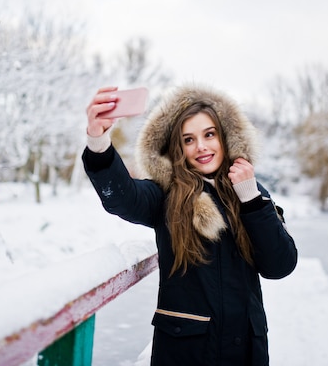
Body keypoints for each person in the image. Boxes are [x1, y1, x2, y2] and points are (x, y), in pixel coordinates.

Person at [82, 84, 298, 366]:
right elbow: (122, 198)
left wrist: (252, 201)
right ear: (177, 148)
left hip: (246, 351)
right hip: (188, 353)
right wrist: (98, 140)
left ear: (226, 138)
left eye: (209, 134)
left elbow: (280, 265)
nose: (201, 147)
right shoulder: (166, 195)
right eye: (188, 139)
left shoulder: (252, 193)